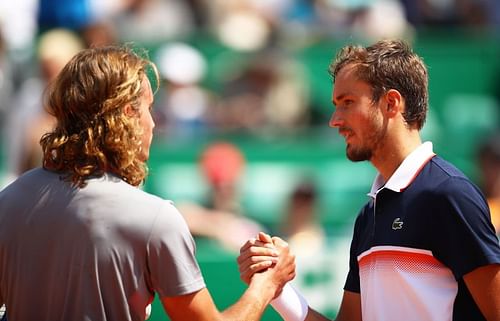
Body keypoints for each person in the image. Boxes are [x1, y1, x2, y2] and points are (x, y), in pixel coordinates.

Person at [0, 45, 295, 321]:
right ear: (127, 113)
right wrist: (267, 284)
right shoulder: (155, 219)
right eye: (148, 108)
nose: (152, 123)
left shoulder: (7, 201)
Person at [237, 39, 500, 321]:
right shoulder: (369, 215)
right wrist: (277, 289)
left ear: (391, 103)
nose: (335, 120)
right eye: (336, 105)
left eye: (348, 102)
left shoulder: (449, 195)